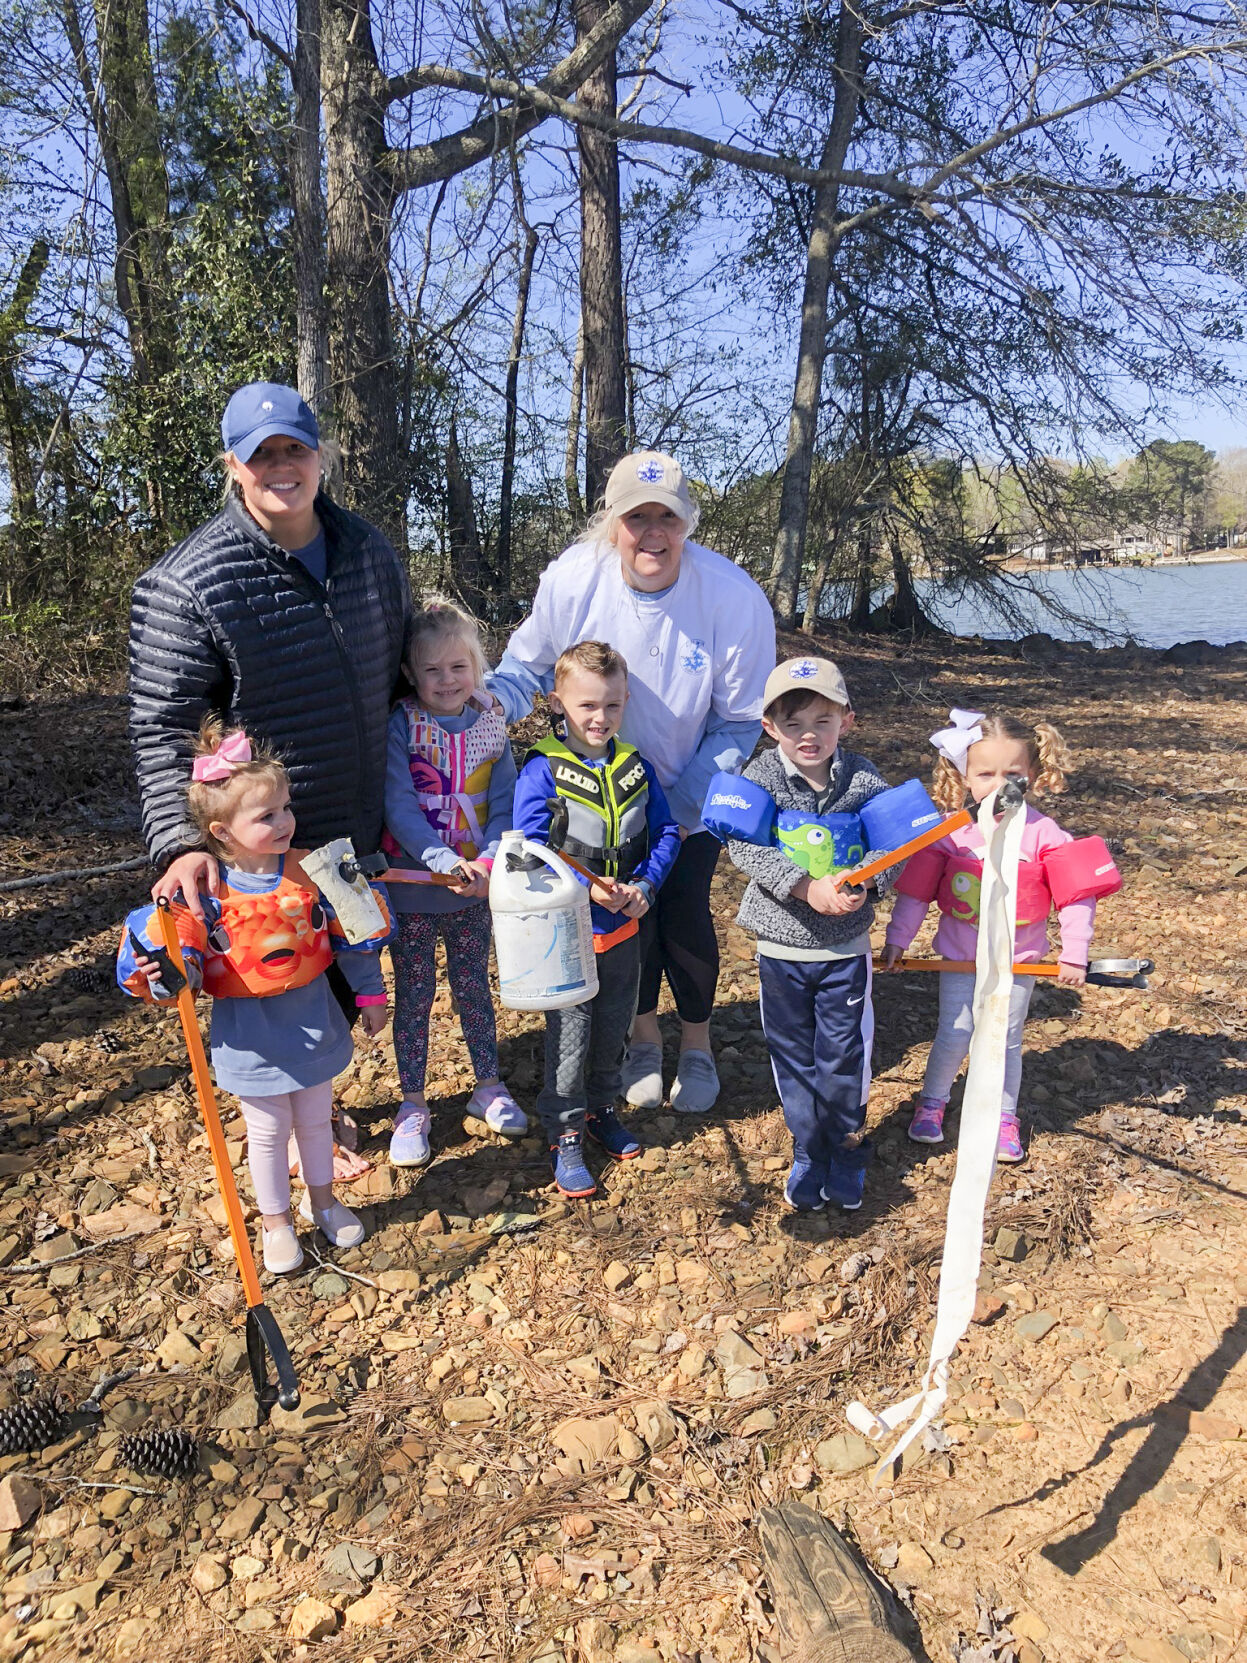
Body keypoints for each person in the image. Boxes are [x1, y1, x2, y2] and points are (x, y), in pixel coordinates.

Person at [128, 381, 410, 1170]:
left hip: (351, 822)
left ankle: (321, 1107)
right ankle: (285, 1131)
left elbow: (394, 674)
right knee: (274, 974)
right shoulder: (187, 583)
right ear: (233, 466)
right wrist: (181, 844)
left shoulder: (368, 552)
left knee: (345, 965)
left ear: (320, 454)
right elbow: (161, 727)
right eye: (261, 455)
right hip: (259, 836)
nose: (281, 466)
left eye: (294, 448)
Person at [489, 452, 774, 1115]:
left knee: (680, 915)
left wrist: (664, 817)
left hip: (687, 788)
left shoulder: (731, 597)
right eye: (635, 518)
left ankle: (697, 1047)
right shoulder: (572, 578)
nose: (651, 534)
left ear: (686, 525)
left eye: (666, 519)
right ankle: (644, 1040)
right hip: (593, 792)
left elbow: (737, 722)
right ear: (611, 522)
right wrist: (478, 707)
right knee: (624, 926)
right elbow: (524, 666)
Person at [117, 721, 391, 1274]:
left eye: (286, 808)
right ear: (222, 831)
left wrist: (370, 995)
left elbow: (356, 936)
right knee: (267, 1133)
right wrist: (164, 973)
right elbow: (179, 958)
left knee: (316, 1122)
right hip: (251, 1035)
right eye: (267, 816)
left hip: (313, 1018)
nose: (286, 821)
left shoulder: (314, 870)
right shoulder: (207, 892)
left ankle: (324, 1201)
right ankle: (276, 1223)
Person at [881, 709, 1096, 1163]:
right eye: (986, 774)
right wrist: (898, 939)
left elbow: (1077, 898)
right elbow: (917, 893)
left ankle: (1003, 1116)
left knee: (1005, 1037)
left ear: (1033, 775)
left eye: (1013, 774)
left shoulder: (1045, 834)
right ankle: (933, 1102)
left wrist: (1074, 953)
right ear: (965, 777)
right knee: (955, 1033)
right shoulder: (952, 834)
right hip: (961, 957)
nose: (1000, 786)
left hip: (1019, 961)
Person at [725, 657, 896, 1212]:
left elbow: (895, 844)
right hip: (780, 949)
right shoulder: (760, 777)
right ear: (770, 726)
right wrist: (802, 887)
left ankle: (846, 1145)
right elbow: (744, 846)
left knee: (844, 1054)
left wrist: (865, 881)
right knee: (792, 1053)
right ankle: (807, 1147)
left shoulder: (865, 778)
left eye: (823, 721)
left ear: (846, 721)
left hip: (845, 949)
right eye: (793, 723)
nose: (809, 735)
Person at [511, 642, 681, 1198]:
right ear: (558, 701)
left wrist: (646, 887)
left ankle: (602, 1109)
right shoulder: (541, 769)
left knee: (613, 1027)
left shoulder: (635, 765)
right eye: (586, 705)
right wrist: (588, 887)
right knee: (570, 1037)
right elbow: (529, 847)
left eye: (611, 705)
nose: (599, 718)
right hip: (566, 932)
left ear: (625, 700)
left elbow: (667, 832)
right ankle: (565, 1135)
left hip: (625, 926)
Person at [382, 598, 525, 1167]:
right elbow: (398, 803)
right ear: (412, 675)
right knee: (414, 993)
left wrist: (489, 864)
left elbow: (506, 804)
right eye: (432, 670)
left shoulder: (493, 726)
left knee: (473, 985)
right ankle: (412, 1102)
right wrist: (438, 856)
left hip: (474, 888)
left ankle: (487, 1084)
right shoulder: (403, 723)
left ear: (478, 670)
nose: (446, 680)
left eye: (458, 668)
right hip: (415, 882)